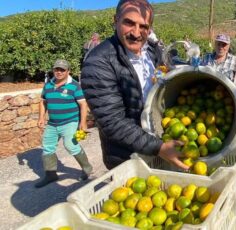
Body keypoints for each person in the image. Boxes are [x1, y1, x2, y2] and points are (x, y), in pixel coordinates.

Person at [80, 0, 189, 170]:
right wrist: (158, 147)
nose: (136, 33)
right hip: (127, 156)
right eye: (129, 23)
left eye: (143, 26)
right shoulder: (98, 62)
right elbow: (112, 122)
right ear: (115, 20)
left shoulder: (152, 51)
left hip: (161, 144)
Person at [36, 59, 93, 188]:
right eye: (57, 69)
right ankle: (51, 174)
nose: (59, 72)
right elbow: (43, 102)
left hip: (70, 121)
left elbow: (83, 104)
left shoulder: (74, 85)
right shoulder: (48, 85)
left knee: (70, 145)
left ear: (68, 71)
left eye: (62, 70)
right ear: (53, 70)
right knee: (47, 147)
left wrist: (82, 123)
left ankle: (87, 168)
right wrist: (41, 117)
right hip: (52, 123)